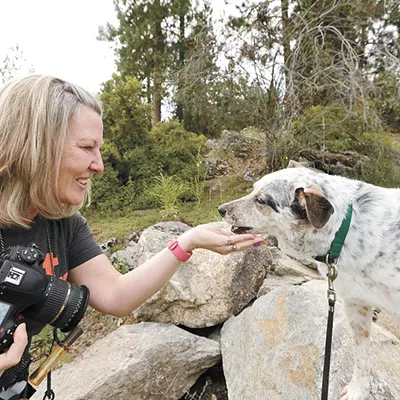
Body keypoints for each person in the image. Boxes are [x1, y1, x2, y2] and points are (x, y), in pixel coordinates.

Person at [0, 75, 266, 399]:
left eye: (98, 149)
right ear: (34, 145)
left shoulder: (63, 223)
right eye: (86, 148)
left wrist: (187, 243)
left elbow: (116, 294)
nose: (98, 165)